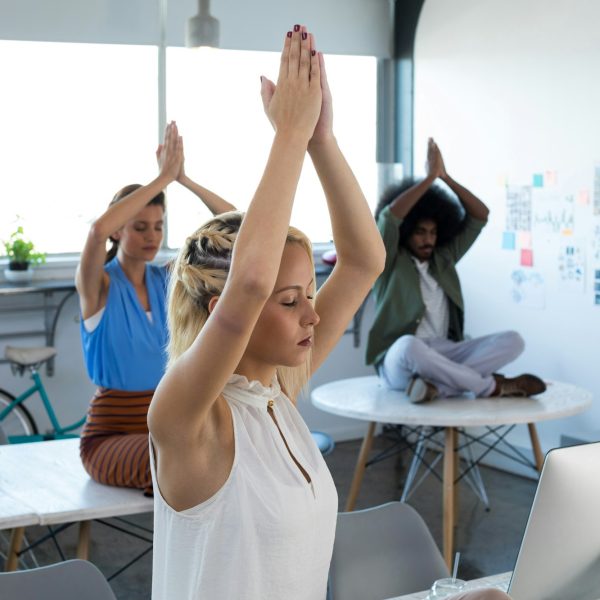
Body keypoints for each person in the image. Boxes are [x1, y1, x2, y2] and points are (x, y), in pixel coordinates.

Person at [77, 121, 235, 496]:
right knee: (175, 459)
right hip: (112, 435)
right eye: (140, 227)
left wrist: (184, 180)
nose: (152, 237)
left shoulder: (167, 280)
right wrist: (161, 178)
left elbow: (235, 227)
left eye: (158, 227)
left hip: (170, 424)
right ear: (119, 230)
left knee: (222, 452)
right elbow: (97, 231)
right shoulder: (97, 286)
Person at [367, 138, 546, 403]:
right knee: (409, 345)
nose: (428, 239)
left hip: (446, 353)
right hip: (400, 360)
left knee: (513, 340)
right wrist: (429, 180)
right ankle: (492, 387)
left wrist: (445, 178)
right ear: (407, 233)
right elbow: (389, 219)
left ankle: (437, 388)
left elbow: (480, 216)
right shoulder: (388, 261)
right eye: (420, 232)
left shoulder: (444, 259)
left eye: (433, 232)